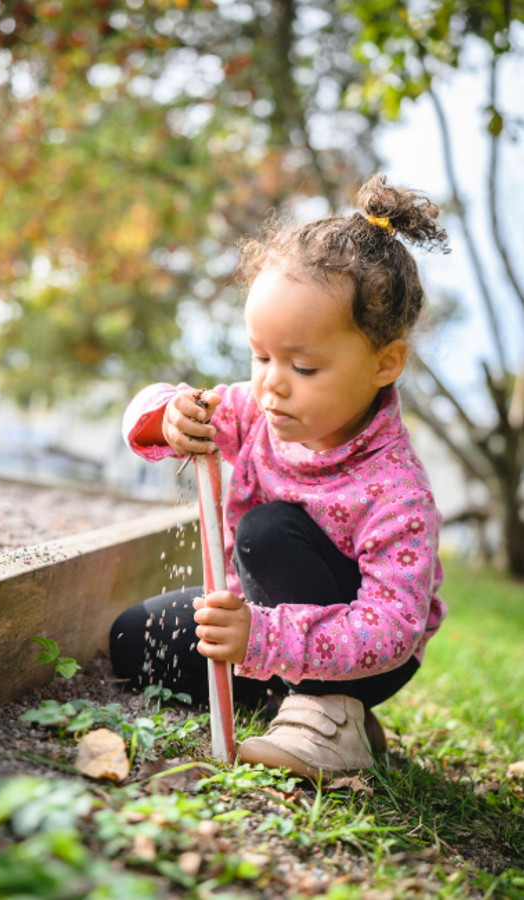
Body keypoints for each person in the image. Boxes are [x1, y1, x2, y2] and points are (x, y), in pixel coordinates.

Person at [110, 175, 449, 781]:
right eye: (260, 356)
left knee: (267, 530)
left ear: (383, 362)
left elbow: (392, 629)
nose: (272, 383)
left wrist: (261, 636)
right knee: (135, 641)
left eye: (304, 365)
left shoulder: (398, 490)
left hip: (369, 653)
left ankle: (330, 713)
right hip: (266, 622)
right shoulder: (257, 410)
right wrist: (168, 416)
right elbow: (151, 407)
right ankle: (301, 704)